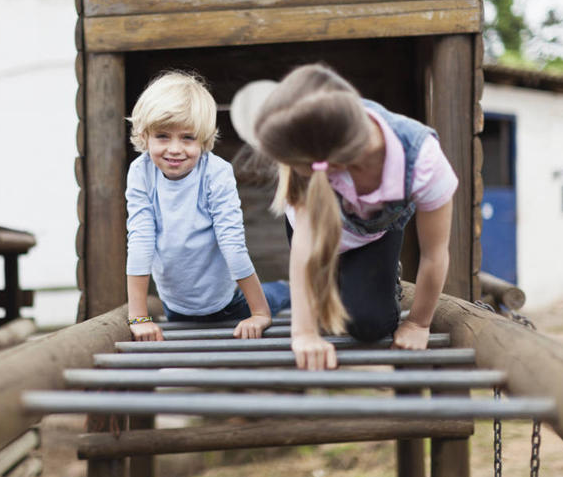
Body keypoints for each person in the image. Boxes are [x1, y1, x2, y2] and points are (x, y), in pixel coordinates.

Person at [232, 64, 457, 370]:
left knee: (369, 327)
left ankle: (365, 281)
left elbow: (435, 253)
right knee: (319, 310)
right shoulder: (312, 150)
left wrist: (418, 323)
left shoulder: (422, 160)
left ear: (328, 163)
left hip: (372, 234)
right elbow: (305, 249)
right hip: (316, 233)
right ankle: (309, 286)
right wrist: (304, 332)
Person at [124, 71, 290, 342]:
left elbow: (231, 242)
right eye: (163, 136)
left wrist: (260, 313)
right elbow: (141, 240)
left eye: (187, 137)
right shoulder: (141, 172)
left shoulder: (215, 173)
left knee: (275, 297)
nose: (175, 148)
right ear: (145, 136)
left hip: (227, 301)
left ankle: (286, 289)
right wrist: (139, 317)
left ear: (203, 139)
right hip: (176, 306)